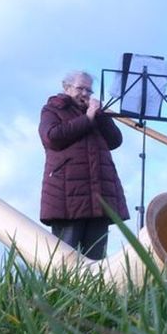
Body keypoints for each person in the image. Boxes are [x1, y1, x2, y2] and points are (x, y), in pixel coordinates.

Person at [38, 70, 130, 259]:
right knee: (66, 260)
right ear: (66, 87)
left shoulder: (96, 114)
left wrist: (101, 115)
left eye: (89, 90)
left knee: (95, 261)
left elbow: (115, 141)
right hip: (68, 197)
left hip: (99, 197)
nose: (85, 94)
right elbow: (52, 137)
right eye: (81, 88)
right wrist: (87, 119)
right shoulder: (53, 109)